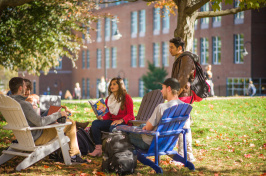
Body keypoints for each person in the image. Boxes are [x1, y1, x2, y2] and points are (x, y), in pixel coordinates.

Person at [9, 77, 87, 163]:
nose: (26, 88)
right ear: (20, 88)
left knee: (64, 122)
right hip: (36, 137)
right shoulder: (24, 104)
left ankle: (63, 154)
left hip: (23, 137)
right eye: (24, 86)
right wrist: (59, 114)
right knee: (71, 123)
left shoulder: (11, 102)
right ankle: (74, 155)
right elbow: (40, 122)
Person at [128, 78, 185, 151]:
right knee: (141, 126)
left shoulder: (161, 107)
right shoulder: (184, 107)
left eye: (163, 88)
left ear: (169, 89)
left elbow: (148, 128)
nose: (161, 91)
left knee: (126, 134)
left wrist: (148, 123)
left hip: (152, 143)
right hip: (170, 143)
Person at [89, 77, 135, 157]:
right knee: (95, 123)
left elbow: (130, 114)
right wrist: (102, 118)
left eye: (114, 84)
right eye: (111, 84)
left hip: (125, 123)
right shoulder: (109, 99)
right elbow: (108, 115)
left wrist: (120, 120)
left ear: (120, 85)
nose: (111, 86)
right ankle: (98, 149)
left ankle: (113, 151)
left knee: (113, 127)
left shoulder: (126, 97)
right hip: (112, 121)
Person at [169, 37, 196, 162]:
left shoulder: (186, 58)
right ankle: (187, 154)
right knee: (183, 125)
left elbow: (183, 79)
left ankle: (185, 154)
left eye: (172, 47)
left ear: (180, 48)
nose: (169, 50)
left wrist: (174, 96)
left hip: (183, 95)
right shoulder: (180, 59)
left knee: (183, 125)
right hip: (181, 95)